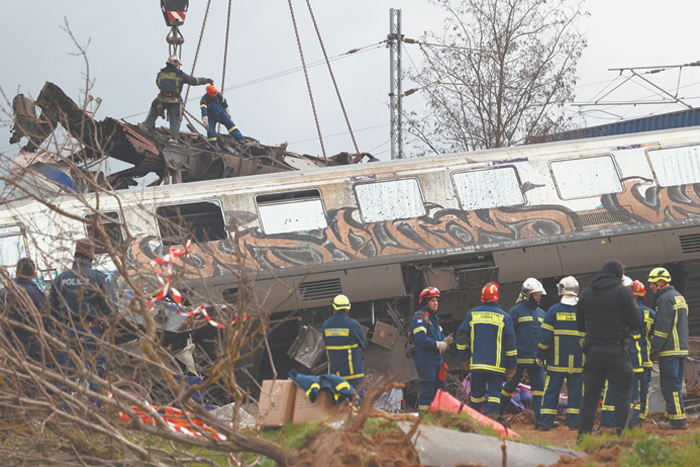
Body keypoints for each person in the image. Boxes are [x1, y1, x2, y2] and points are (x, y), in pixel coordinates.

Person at [576, 260, 641, 438]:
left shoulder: (586, 293)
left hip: (593, 352)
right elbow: (636, 322)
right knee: (622, 397)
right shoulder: (623, 292)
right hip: (617, 351)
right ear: (618, 274)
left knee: (589, 397)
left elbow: (580, 325)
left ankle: (583, 440)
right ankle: (622, 438)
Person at [50, 238, 118, 393]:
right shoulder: (99, 278)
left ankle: (66, 411)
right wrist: (106, 330)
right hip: (93, 334)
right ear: (92, 256)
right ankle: (97, 411)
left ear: (75, 255)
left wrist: (57, 331)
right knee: (97, 377)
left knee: (65, 377)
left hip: (68, 333)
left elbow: (50, 311)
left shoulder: (61, 279)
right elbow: (112, 310)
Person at [457, 282, 516, 423]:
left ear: (482, 297)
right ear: (497, 298)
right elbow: (511, 346)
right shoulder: (504, 317)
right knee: (495, 395)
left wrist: (465, 359)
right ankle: (491, 422)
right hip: (496, 366)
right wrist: (511, 366)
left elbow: (460, 337)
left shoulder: (472, 314)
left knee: (476, 394)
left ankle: (472, 422)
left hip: (477, 365)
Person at [599, 276, 647, 429]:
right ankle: (630, 427)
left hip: (618, 361)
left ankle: (607, 426)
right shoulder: (635, 311)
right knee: (632, 394)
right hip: (634, 361)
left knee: (611, 392)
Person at [537, 276, 583, 431]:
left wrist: (540, 355)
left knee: (551, 392)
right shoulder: (583, 310)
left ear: (561, 289)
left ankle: (546, 423)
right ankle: (574, 423)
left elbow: (545, 338)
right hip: (578, 362)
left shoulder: (553, 310)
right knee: (576, 394)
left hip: (556, 361)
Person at [499, 278, 546, 427]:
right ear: (527, 294)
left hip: (536, 360)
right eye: (536, 294)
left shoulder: (541, 313)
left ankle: (540, 420)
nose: (539, 297)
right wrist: (507, 360)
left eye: (540, 294)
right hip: (517, 361)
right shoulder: (514, 312)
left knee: (539, 390)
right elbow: (506, 336)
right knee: (509, 388)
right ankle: (496, 415)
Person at [648, 267, 689, 430]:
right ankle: (671, 417)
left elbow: (662, 328)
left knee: (670, 386)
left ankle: (678, 421)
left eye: (652, 283)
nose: (650, 286)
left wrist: (654, 349)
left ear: (660, 282)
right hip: (681, 350)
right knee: (675, 385)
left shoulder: (664, 299)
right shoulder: (679, 297)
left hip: (669, 350)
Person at [141, 55, 213, 139]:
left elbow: (158, 84)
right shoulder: (180, 75)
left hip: (162, 99)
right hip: (174, 102)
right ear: (175, 64)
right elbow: (194, 81)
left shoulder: (160, 74)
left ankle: (146, 125)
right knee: (174, 118)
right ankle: (174, 138)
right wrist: (206, 80)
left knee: (154, 107)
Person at [412, 287, 452, 412]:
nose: (436, 303)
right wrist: (437, 344)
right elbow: (420, 338)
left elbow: (440, 335)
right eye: (432, 300)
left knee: (441, 392)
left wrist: (445, 340)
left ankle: (439, 419)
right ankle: (423, 420)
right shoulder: (420, 317)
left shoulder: (434, 319)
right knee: (427, 393)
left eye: (436, 300)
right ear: (425, 302)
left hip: (436, 361)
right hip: (426, 362)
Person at [0, 257, 49, 360]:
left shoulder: (3, 293)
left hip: (7, 348)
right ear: (34, 275)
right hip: (31, 350)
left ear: (17, 273)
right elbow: (47, 322)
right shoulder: (37, 295)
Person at [322, 294, 366, 390]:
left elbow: (326, 342)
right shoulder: (353, 325)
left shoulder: (326, 325)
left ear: (334, 308)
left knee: (339, 404)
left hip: (335, 376)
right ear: (348, 309)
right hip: (353, 376)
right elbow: (363, 343)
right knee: (356, 403)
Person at [632, 280, 656, 424]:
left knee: (631, 388)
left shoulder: (627, 311)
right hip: (646, 359)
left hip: (632, 358)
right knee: (644, 389)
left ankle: (631, 418)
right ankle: (641, 417)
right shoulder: (651, 313)